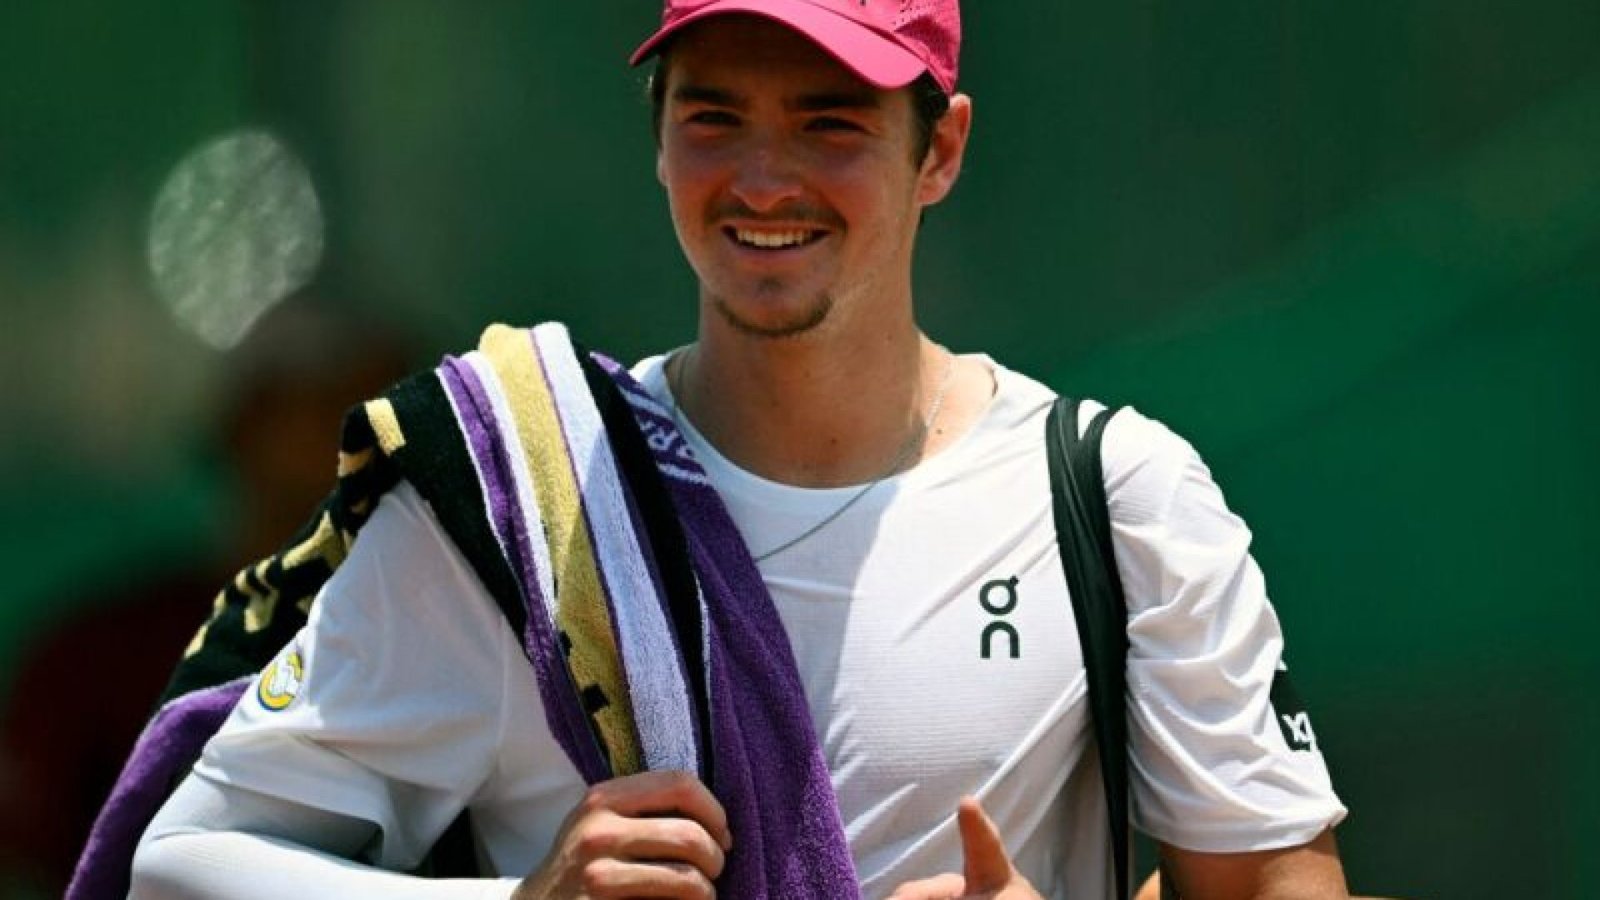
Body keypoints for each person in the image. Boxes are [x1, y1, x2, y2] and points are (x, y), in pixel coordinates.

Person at [126, 2, 1351, 898]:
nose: (763, 181)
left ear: (940, 149)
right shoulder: (524, 504)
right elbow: (183, 867)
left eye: (831, 124)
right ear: (658, 139)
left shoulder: (1112, 497)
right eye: (715, 117)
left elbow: (1284, 887)